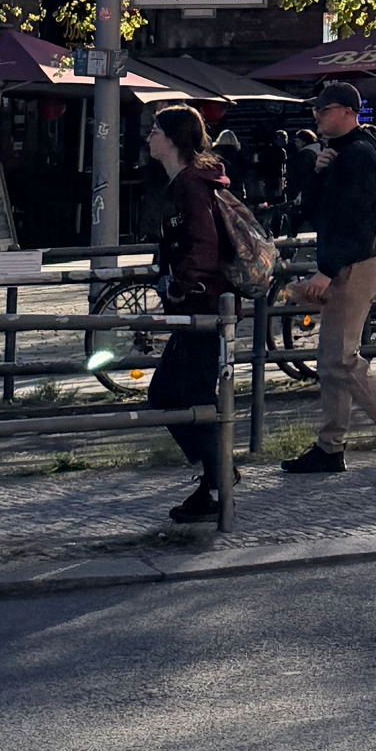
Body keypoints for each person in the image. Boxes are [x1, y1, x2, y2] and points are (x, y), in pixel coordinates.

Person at [282, 83, 376, 480]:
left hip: (353, 263)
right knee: (331, 362)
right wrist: (317, 173)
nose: (317, 117)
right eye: (315, 110)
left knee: (341, 360)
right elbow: (317, 209)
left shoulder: (359, 154)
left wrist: (327, 270)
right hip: (350, 260)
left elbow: (354, 220)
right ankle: (331, 446)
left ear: (348, 111)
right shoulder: (349, 152)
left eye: (324, 110)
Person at [143, 104, 236, 525]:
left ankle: (217, 484)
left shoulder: (190, 185)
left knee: (185, 397)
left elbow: (203, 244)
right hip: (200, 306)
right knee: (174, 395)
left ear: (174, 140)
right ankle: (217, 476)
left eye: (155, 130)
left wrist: (180, 286)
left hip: (201, 307)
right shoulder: (191, 180)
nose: (149, 137)